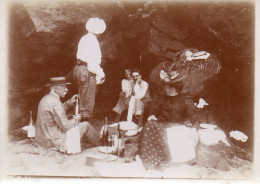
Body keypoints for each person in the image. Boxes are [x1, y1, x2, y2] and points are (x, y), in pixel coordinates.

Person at [139, 83, 200, 170]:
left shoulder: (185, 100)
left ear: (173, 88)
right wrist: (152, 115)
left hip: (178, 126)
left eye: (166, 86)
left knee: (174, 133)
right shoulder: (162, 98)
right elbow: (154, 111)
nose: (165, 88)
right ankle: (150, 157)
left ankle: (167, 158)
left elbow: (194, 118)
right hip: (164, 124)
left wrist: (194, 129)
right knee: (149, 125)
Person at [35, 77, 100, 153]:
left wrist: (70, 102)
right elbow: (66, 127)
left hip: (42, 140)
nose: (67, 89)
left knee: (70, 119)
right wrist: (76, 119)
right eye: (64, 87)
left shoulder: (46, 98)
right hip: (53, 141)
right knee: (85, 125)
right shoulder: (56, 103)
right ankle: (101, 142)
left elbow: (57, 111)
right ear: (55, 89)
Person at [73, 17, 106, 122]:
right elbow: (92, 64)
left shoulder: (84, 38)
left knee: (82, 95)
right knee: (88, 98)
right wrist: (102, 74)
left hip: (79, 68)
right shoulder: (93, 41)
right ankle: (84, 122)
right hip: (86, 70)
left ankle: (80, 118)